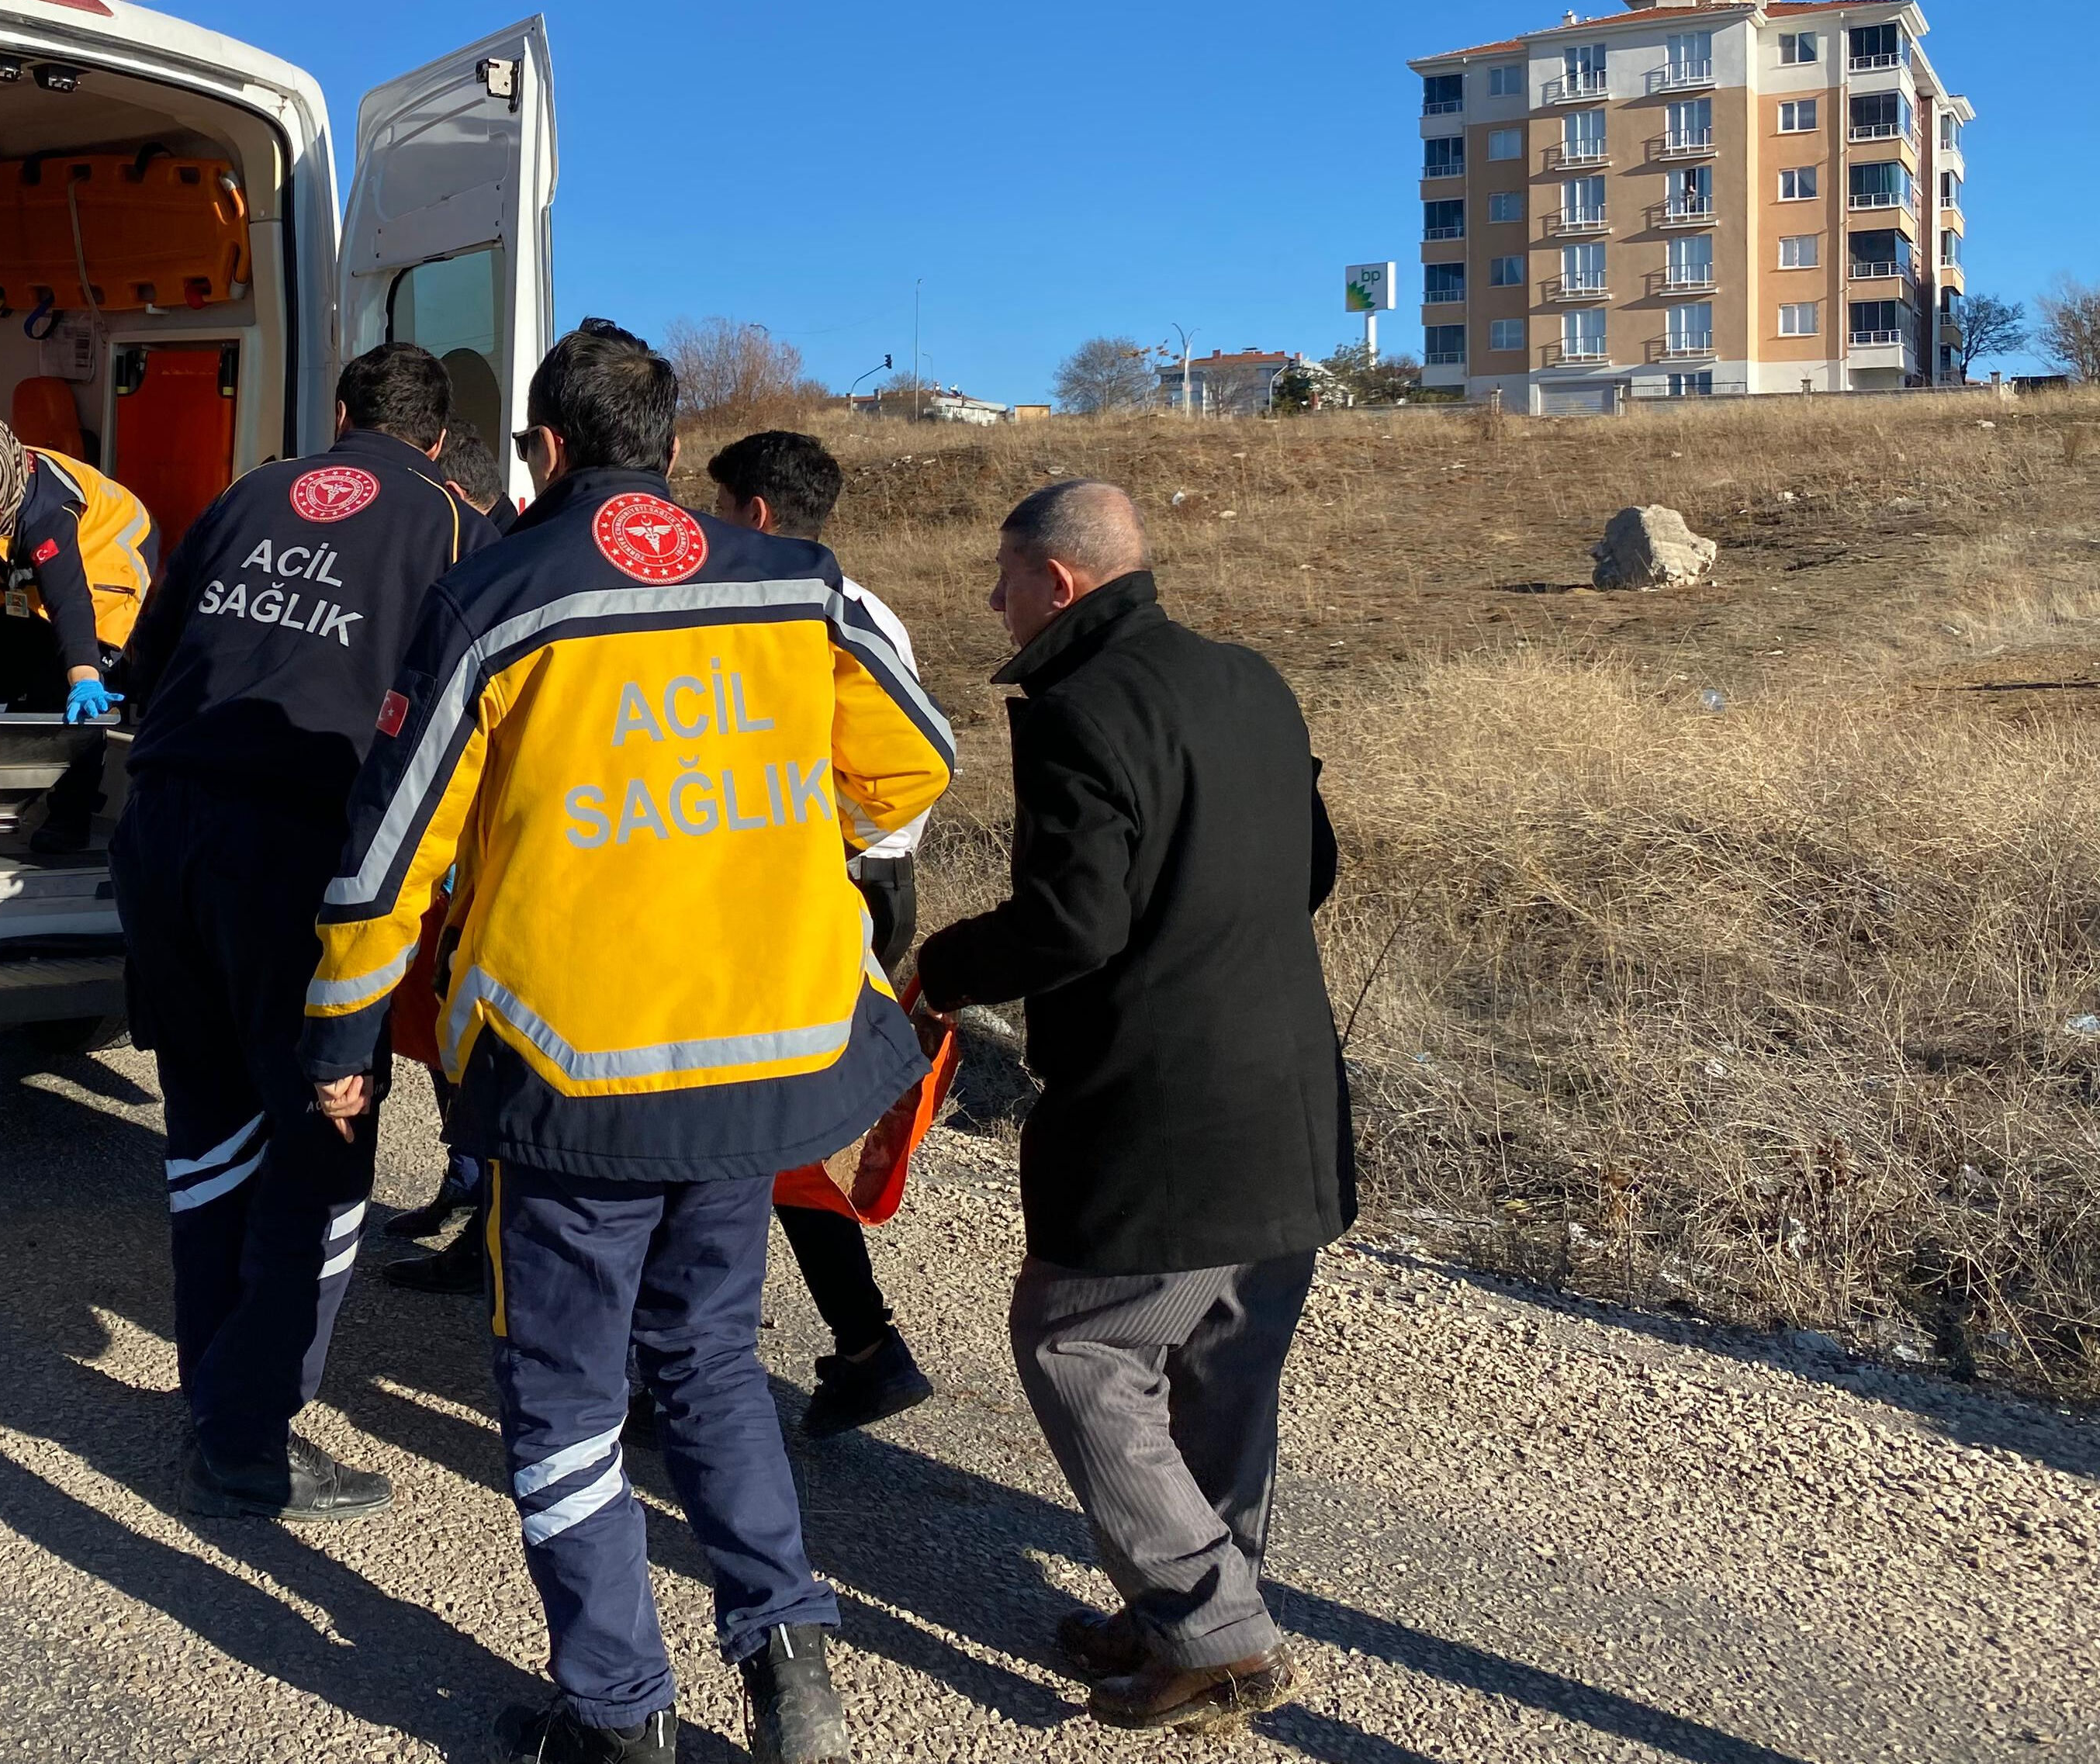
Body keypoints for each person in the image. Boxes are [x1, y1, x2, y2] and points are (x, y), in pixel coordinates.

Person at [302, 320, 953, 1764]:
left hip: (576, 1069)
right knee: (712, 1358)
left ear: (543, 449)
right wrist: (759, 833)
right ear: (668, 445)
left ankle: (614, 1711)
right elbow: (915, 757)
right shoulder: (795, 578)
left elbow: (388, 843)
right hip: (749, 1054)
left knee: (560, 1390)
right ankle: (788, 1663)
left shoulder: (500, 588)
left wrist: (344, 1023)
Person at [911, 479, 1351, 1735]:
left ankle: (1214, 1629)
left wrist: (937, 969)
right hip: (1293, 1096)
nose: (992, 602)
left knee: (1077, 1338)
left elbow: (1075, 920)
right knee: (1224, 1367)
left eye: (1003, 577)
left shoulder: (1076, 708)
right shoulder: (1251, 678)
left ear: (1058, 580)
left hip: (1168, 1109)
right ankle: (1187, 1606)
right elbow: (1312, 865)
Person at [109, 341, 490, 1524]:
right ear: (435, 436)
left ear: (340, 416)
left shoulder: (249, 493)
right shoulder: (457, 527)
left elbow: (149, 663)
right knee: (325, 1137)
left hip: (166, 830)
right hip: (302, 857)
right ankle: (247, 1432)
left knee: (209, 1125)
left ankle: (213, 1388)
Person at [701, 431, 933, 1438]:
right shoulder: (859, 606)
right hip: (874, 878)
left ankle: (700, 1357)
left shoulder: (781, 609)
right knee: (786, 1121)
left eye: (716, 505)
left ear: (753, 513)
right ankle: (863, 1342)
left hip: (824, 878)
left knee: (741, 1119)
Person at [0, 411, 154, 850]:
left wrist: (85, 672)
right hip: (22, 570)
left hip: (100, 562)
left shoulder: (47, 511)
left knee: (61, 700)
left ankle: (70, 818)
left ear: (1, 487)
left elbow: (69, 599)